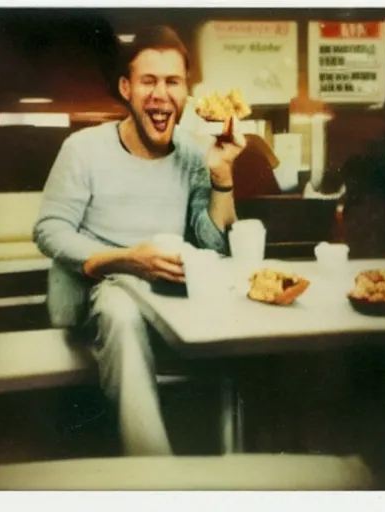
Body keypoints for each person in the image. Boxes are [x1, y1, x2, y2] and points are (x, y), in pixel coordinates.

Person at [33, 25, 246, 456]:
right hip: (94, 293)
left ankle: (238, 455)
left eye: (172, 82)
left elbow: (213, 244)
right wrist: (126, 259)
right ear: (126, 89)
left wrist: (222, 175)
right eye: (148, 81)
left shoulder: (192, 154)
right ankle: (155, 471)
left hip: (167, 296)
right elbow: (49, 230)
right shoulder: (83, 149)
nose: (160, 94)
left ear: (186, 92)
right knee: (120, 307)